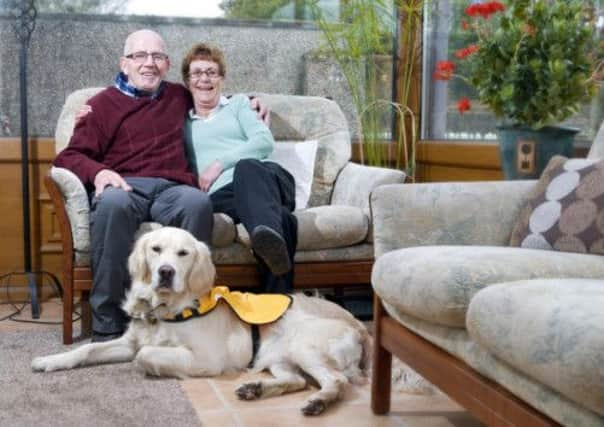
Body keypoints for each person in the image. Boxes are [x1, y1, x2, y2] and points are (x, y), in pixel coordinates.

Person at [54, 30, 266, 342]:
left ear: (166, 64)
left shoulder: (178, 96)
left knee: (197, 203)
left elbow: (212, 92)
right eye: (140, 56)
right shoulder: (100, 105)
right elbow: (69, 156)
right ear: (124, 63)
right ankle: (109, 322)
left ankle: (187, 313)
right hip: (125, 184)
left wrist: (251, 102)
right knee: (112, 205)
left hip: (172, 187)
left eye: (157, 57)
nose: (149, 63)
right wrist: (99, 173)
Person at [181, 43, 297, 294]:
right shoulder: (181, 121)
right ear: (187, 81)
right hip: (225, 197)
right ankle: (276, 304)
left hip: (266, 179)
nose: (204, 79)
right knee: (283, 220)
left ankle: (265, 234)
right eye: (197, 73)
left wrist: (219, 164)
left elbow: (264, 141)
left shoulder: (238, 105)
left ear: (222, 78)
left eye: (211, 72)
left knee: (247, 168)